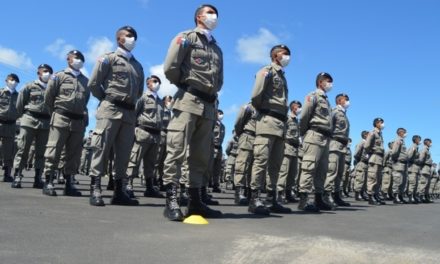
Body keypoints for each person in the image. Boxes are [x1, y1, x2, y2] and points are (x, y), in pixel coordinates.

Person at [162, 4, 223, 221]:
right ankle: (171, 201)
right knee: (176, 150)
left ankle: (196, 202)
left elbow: (219, 80)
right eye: (209, 13)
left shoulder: (217, 48)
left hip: (208, 107)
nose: (213, 17)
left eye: (215, 14)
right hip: (188, 101)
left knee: (200, 156)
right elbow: (170, 67)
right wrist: (188, 86)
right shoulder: (186, 37)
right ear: (199, 17)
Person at [88, 26, 144, 206]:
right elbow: (94, 83)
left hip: (129, 113)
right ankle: (95, 188)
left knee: (124, 153)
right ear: (119, 39)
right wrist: (106, 99)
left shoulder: (137, 65)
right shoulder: (108, 58)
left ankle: (119, 191)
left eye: (134, 36)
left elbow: (139, 91)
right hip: (110, 109)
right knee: (101, 148)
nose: (132, 39)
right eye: (128, 36)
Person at [249, 44, 292, 215]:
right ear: (275, 55)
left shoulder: (282, 76)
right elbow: (256, 96)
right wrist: (265, 111)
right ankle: (255, 198)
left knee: (276, 165)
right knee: (261, 161)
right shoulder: (266, 71)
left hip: (281, 124)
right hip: (267, 121)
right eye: (284, 54)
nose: (288, 57)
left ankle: (271, 199)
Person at [41, 50, 89, 196]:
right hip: (61, 117)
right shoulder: (58, 76)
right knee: (54, 150)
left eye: (81, 58)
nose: (78, 60)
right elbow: (48, 98)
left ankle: (69, 183)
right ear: (68, 59)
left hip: (78, 120)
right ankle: (49, 181)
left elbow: (85, 101)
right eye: (76, 58)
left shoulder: (85, 81)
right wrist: (56, 113)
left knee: (74, 153)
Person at [298, 72, 335, 212]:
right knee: (309, 167)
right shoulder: (313, 96)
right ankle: (304, 200)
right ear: (320, 82)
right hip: (314, 134)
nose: (330, 84)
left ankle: (318, 199)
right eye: (328, 81)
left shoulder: (326, 99)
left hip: (325, 138)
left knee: (322, 170)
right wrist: (304, 134)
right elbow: (305, 116)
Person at [11, 64, 52, 189]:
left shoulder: (53, 87)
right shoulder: (29, 86)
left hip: (45, 122)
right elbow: (19, 104)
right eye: (45, 71)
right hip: (29, 119)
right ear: (38, 73)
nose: (48, 74)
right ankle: (18, 176)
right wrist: (23, 117)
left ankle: (38, 178)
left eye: (50, 72)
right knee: (23, 149)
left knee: (41, 152)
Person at [126, 75, 164, 198]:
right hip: (143, 132)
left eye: (158, 82)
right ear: (148, 84)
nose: (157, 83)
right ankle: (128, 184)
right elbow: (134, 114)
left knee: (151, 163)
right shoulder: (142, 97)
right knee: (135, 159)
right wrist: (133, 131)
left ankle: (149, 187)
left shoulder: (160, 100)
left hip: (156, 134)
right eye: (154, 81)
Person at [324, 93, 351, 207]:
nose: (348, 101)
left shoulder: (344, 114)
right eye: (346, 99)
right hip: (334, 144)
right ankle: (326, 195)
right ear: (339, 101)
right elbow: (328, 126)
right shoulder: (334, 111)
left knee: (340, 173)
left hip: (342, 146)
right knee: (332, 171)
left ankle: (336, 195)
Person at [277, 100, 301, 204]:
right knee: (284, 172)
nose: (300, 108)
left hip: (295, 149)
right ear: (293, 108)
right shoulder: (287, 118)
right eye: (298, 106)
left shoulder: (297, 121)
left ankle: (288, 193)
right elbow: (282, 131)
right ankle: (279, 194)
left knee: (292, 174)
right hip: (287, 147)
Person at [233, 103, 256, 205]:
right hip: (247, 136)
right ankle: (239, 193)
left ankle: (250, 193)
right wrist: (241, 134)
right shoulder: (248, 107)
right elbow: (238, 123)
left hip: (259, 139)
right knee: (242, 166)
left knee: (254, 168)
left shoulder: (264, 108)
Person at [0, 73, 20, 182]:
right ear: (6, 80)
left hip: (11, 124)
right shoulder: (1, 92)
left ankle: (7, 173)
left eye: (15, 81)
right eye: (11, 80)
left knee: (9, 150)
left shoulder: (19, 96)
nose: (13, 82)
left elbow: (21, 110)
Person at [364, 118, 386, 205]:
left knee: (378, 179)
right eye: (381, 123)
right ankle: (371, 196)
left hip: (379, 159)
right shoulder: (373, 132)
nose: (383, 124)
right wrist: (371, 152)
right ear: (376, 123)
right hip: (374, 157)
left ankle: (376, 195)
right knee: (372, 178)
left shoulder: (380, 134)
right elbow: (366, 145)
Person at [390, 128, 408, 204]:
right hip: (398, 163)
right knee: (397, 181)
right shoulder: (398, 140)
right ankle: (396, 197)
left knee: (403, 181)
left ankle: (400, 196)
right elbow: (394, 152)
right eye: (404, 132)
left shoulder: (402, 141)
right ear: (400, 133)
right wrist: (395, 160)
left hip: (403, 164)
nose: (405, 134)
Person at [353, 131, 370, 201]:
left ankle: (362, 194)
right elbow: (356, 153)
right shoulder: (362, 142)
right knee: (360, 179)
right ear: (365, 135)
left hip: (366, 163)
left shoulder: (367, 143)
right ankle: (357, 195)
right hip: (361, 163)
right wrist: (359, 160)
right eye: (368, 135)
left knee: (364, 180)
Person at [211, 109, 225, 193]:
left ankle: (216, 185)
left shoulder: (223, 126)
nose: (221, 115)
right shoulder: (212, 123)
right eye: (219, 113)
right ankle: (205, 186)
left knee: (217, 169)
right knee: (209, 167)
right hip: (212, 146)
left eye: (222, 114)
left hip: (219, 148)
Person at [406, 135, 421, 203]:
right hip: (412, 168)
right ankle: (410, 197)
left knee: (415, 183)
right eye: (419, 140)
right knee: (412, 183)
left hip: (415, 168)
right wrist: (414, 160)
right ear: (415, 140)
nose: (420, 141)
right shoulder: (413, 147)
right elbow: (409, 156)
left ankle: (413, 196)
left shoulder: (416, 147)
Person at [418, 138, 433, 203]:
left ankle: (426, 197)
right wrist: (421, 167)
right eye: (430, 142)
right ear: (427, 142)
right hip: (425, 167)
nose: (431, 143)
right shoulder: (424, 149)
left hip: (428, 168)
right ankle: (421, 197)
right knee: (423, 183)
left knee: (427, 184)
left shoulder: (427, 149)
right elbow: (421, 159)